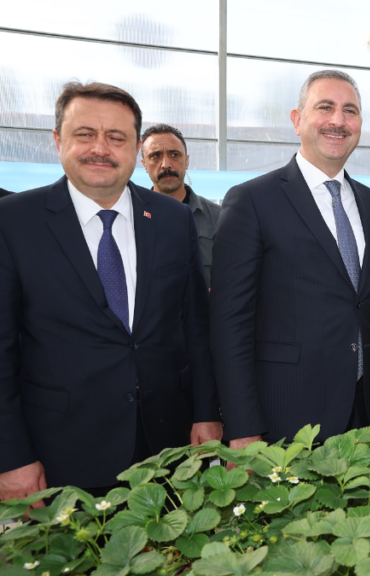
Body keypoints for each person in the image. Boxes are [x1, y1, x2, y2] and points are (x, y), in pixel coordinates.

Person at [0, 82, 220, 500]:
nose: (100, 148)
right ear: (57, 140)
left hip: (166, 448)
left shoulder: (173, 220)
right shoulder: (13, 223)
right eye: (85, 134)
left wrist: (207, 415)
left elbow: (195, 325)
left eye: (116, 138)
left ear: (135, 148)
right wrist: (11, 457)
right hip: (60, 457)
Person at [210, 70, 370, 449]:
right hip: (288, 413)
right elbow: (229, 324)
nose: (338, 121)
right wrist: (242, 426)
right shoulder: (252, 201)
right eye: (325, 107)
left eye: (350, 111)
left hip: (368, 409)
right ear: (297, 120)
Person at [140, 124, 221, 286]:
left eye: (174, 155)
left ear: (186, 161)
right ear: (144, 165)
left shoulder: (219, 217)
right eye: (155, 156)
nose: (165, 164)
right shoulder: (132, 217)